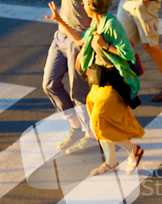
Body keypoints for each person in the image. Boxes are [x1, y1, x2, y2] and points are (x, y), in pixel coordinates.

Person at [46, 0, 145, 175]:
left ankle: (133, 150)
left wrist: (105, 45)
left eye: (84, 3)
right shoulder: (95, 23)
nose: (82, 6)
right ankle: (111, 162)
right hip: (99, 82)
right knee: (96, 124)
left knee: (99, 124)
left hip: (114, 82)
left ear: (92, 6)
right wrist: (59, 20)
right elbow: (79, 40)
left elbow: (128, 52)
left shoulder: (111, 23)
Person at [42, 0, 98, 155]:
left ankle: (91, 136)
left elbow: (98, 12)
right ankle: (76, 127)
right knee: (49, 84)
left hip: (79, 38)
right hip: (61, 35)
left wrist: (85, 43)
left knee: (79, 91)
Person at [117, 0, 162, 102]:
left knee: (150, 46)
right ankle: (123, 87)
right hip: (125, 3)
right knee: (120, 44)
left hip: (143, 5)